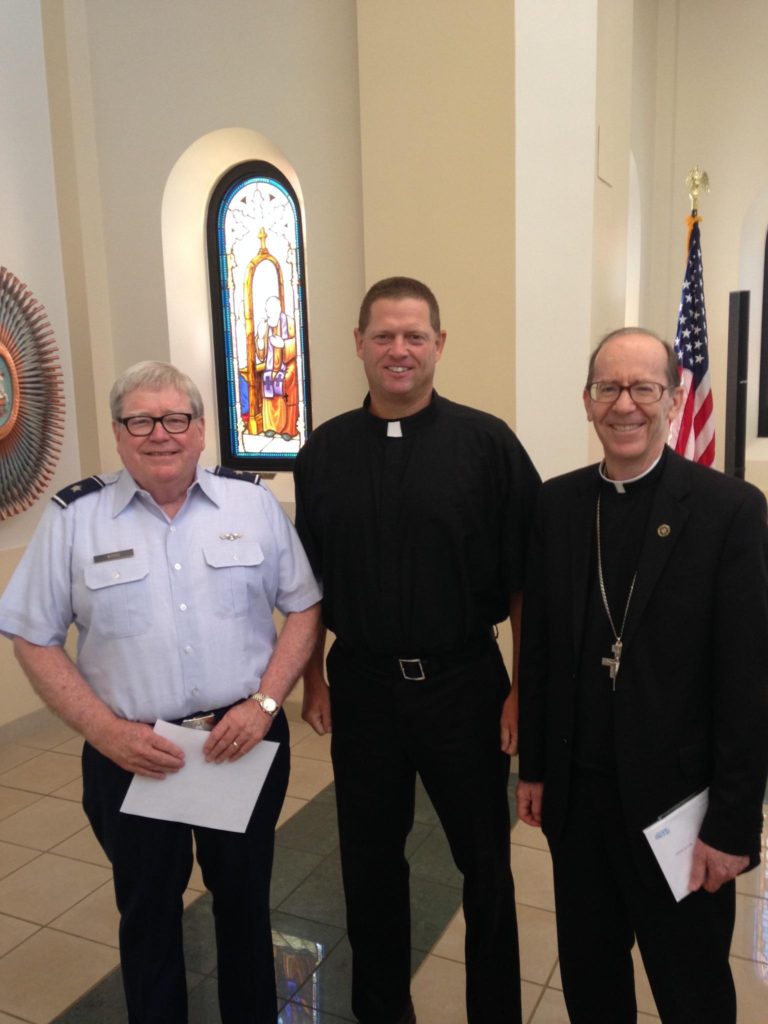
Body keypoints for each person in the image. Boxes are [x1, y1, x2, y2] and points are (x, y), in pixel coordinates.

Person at [0, 361, 322, 1024]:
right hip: (131, 754)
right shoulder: (75, 518)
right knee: (147, 914)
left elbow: (304, 606)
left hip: (242, 742)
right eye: (140, 420)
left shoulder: (251, 503)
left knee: (243, 903)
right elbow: (31, 635)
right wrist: (105, 731)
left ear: (201, 429)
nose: (160, 434)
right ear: (118, 435)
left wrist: (265, 705)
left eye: (176, 418)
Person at [293, 277, 540, 1024]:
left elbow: (528, 581)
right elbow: (306, 583)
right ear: (360, 344)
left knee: (486, 868)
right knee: (369, 868)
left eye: (414, 336)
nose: (398, 350)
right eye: (383, 336)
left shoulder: (488, 442)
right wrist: (313, 680)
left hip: (465, 683)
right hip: (362, 685)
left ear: (439, 343)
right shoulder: (324, 450)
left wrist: (522, 690)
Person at [516, 328, 768, 1023]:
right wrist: (533, 768)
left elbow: (748, 685)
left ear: (674, 398)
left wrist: (735, 826)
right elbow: (537, 650)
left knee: (692, 992)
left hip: (680, 813)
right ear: (588, 401)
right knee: (593, 986)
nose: (625, 405)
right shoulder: (557, 507)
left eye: (644, 388)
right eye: (608, 389)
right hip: (580, 805)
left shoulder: (730, 512)